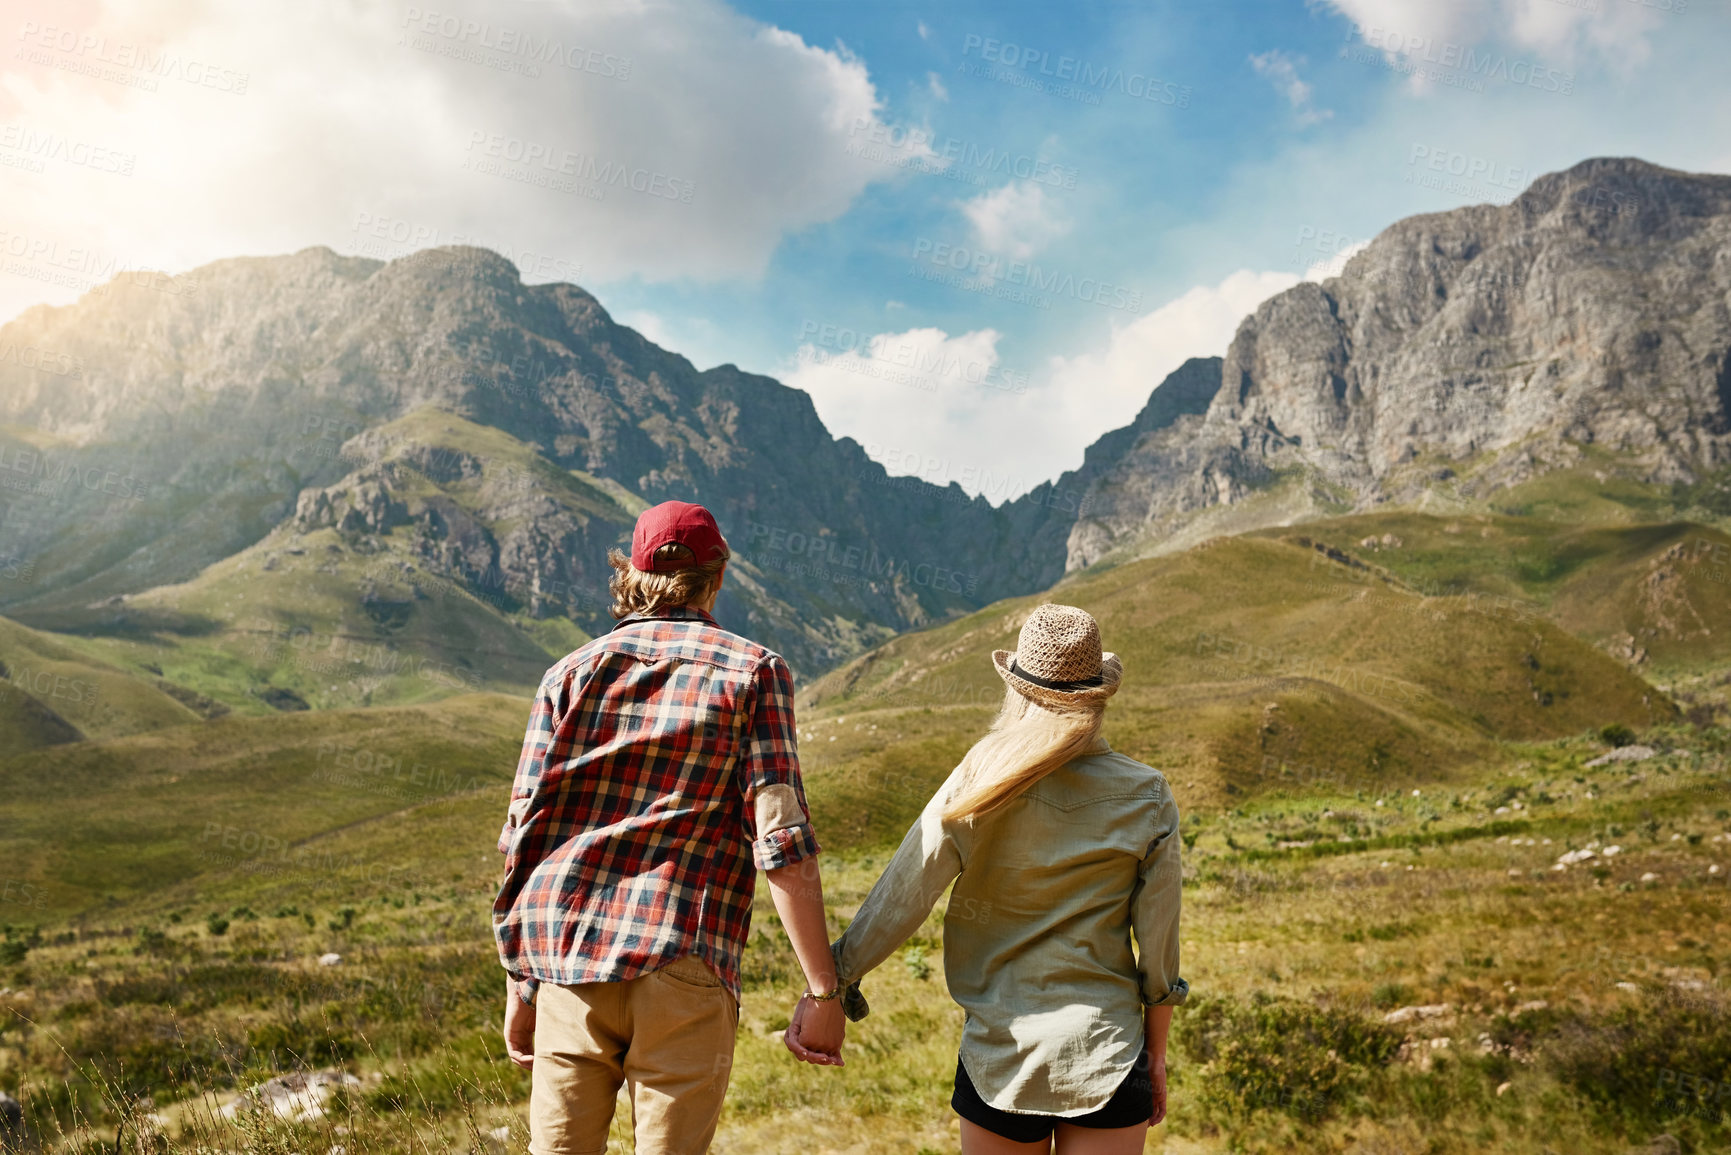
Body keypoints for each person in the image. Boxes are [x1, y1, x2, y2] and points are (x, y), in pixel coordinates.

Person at [495, 499, 846, 1155]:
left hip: (568, 965)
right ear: (716, 575)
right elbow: (780, 842)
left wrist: (522, 985)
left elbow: (523, 838)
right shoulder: (753, 672)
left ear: (631, 572)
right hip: (684, 958)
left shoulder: (565, 675)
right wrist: (822, 990)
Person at [787, 603, 1187, 1154]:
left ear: (1018, 690)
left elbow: (908, 890)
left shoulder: (980, 776)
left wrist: (831, 985)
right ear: (1098, 696)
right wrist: (1156, 1056)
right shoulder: (1148, 793)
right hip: (1109, 1054)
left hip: (1000, 1055)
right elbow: (1160, 948)